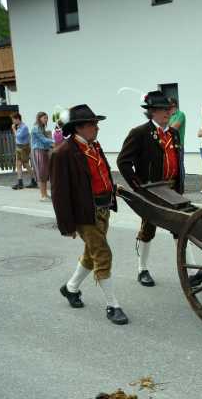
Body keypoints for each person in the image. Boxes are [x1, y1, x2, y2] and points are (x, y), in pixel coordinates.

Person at [50, 104, 128, 325]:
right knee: (103, 254)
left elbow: (101, 173)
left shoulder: (94, 146)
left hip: (103, 209)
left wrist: (113, 191)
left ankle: (71, 288)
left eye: (96, 123)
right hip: (85, 214)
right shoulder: (62, 153)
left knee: (90, 253)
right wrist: (67, 225)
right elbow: (59, 194)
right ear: (79, 127)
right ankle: (113, 305)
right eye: (93, 124)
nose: (97, 128)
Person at [117, 91, 184, 287]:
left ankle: (190, 270)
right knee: (148, 228)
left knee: (181, 227)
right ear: (152, 112)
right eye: (164, 110)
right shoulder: (139, 133)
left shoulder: (173, 133)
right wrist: (138, 186)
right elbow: (123, 161)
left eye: (169, 109)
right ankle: (142, 269)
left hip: (173, 189)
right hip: (152, 190)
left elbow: (177, 161)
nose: (168, 113)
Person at [30, 111, 54, 201]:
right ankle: (43, 196)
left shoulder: (41, 128)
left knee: (44, 173)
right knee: (41, 173)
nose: (46, 120)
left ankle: (45, 194)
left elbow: (45, 142)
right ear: (39, 118)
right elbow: (43, 140)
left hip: (43, 151)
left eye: (47, 118)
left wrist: (52, 145)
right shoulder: (36, 128)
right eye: (44, 118)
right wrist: (54, 142)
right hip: (38, 152)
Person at [10, 112, 38, 190]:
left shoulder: (24, 127)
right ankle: (20, 182)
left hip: (24, 148)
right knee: (18, 164)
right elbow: (17, 138)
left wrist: (13, 129)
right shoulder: (18, 126)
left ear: (17, 119)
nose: (13, 122)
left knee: (26, 164)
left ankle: (34, 181)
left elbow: (18, 136)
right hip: (18, 147)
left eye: (13, 120)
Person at [168, 98, 186, 181]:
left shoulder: (180, 114)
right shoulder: (168, 115)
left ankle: (181, 184)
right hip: (168, 144)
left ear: (173, 105)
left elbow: (174, 128)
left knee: (179, 164)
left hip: (178, 144)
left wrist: (167, 127)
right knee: (171, 164)